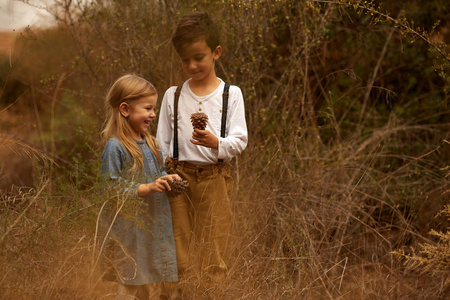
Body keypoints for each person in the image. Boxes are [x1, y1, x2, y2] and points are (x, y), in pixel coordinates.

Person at [156, 11, 248, 292]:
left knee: (212, 252)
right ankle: (171, 294)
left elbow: (240, 139)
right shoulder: (173, 95)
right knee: (175, 250)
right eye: (185, 59)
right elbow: (161, 142)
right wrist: (162, 175)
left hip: (214, 178)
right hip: (177, 177)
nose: (192, 65)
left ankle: (211, 293)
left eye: (199, 57)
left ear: (216, 52)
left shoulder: (230, 94)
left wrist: (216, 143)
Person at [100, 74, 181, 300]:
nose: (153, 114)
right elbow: (110, 189)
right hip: (130, 232)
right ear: (125, 109)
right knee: (130, 281)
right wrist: (146, 188)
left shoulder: (151, 143)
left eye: (153, 108)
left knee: (148, 283)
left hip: (153, 226)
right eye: (147, 108)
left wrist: (167, 178)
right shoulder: (115, 147)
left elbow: (157, 174)